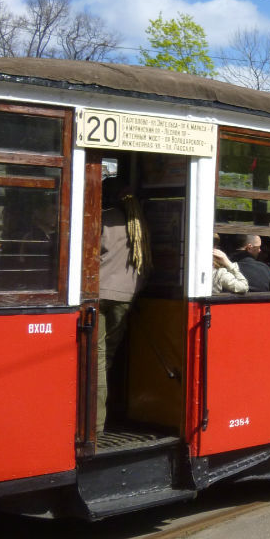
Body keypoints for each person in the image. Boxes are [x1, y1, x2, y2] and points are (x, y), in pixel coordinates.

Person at [97, 181, 150, 431]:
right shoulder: (138, 224)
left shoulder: (102, 218)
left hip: (97, 294)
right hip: (126, 295)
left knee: (94, 360)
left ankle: (93, 424)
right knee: (107, 358)